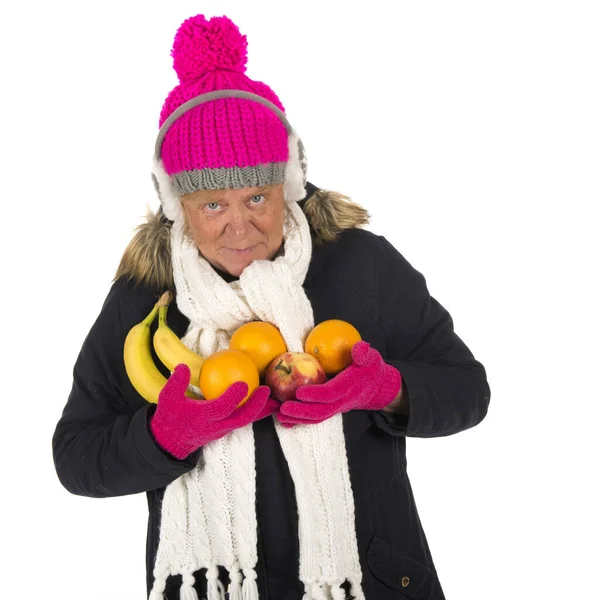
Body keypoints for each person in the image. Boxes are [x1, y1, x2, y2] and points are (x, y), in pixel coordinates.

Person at [52, 13, 490, 600]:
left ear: (288, 183)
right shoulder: (146, 298)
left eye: (257, 195)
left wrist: (384, 389)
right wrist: (164, 436)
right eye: (212, 205)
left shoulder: (362, 264)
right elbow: (76, 455)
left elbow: (468, 390)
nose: (241, 226)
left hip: (371, 579)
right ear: (177, 206)